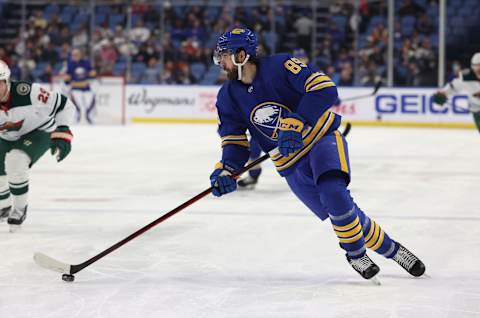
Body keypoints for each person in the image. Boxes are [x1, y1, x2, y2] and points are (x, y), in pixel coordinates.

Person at [209, 28, 425, 280]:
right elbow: (234, 142)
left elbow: (324, 89)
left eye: (223, 55)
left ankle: (355, 255)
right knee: (345, 213)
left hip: (320, 140)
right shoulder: (227, 96)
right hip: (289, 163)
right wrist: (226, 169)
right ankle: (394, 250)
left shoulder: (281, 65)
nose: (220, 62)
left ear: (241, 55)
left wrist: (297, 122)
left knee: (333, 192)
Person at [0, 60, 75, 232]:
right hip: (7, 136)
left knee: (15, 160)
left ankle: (19, 210)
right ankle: (4, 207)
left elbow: (64, 104)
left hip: (39, 131)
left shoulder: (27, 92)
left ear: (7, 82)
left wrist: (62, 130)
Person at [433, 52, 480, 132]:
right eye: (477, 68)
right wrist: (443, 93)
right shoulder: (466, 77)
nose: (478, 71)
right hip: (478, 112)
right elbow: (453, 87)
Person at [64, 48, 97, 124]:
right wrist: (73, 82)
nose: (74, 56)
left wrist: (87, 80)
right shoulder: (70, 64)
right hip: (75, 88)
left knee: (89, 103)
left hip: (87, 88)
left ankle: (90, 120)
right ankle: (77, 120)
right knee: (76, 104)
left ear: (80, 55)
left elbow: (93, 73)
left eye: (76, 55)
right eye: (73, 55)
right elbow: (67, 79)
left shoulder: (86, 62)